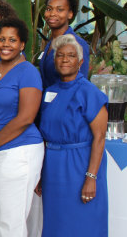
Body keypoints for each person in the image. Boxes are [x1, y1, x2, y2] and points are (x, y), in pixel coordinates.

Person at [0, 18, 44, 237]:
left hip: (18, 152)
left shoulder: (28, 72)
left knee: (10, 223)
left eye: (12, 40)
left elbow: (26, 117)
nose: (6, 44)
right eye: (2, 39)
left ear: (22, 44)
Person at [36, 34, 108, 237]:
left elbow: (100, 137)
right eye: (60, 55)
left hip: (80, 164)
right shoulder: (50, 92)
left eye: (70, 55)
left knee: (83, 222)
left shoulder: (89, 93)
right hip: (53, 166)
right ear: (54, 60)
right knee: (56, 223)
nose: (65, 59)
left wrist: (91, 178)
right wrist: (41, 172)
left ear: (80, 61)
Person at [40, 0, 90, 89]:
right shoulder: (51, 43)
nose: (52, 14)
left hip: (67, 103)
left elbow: (81, 84)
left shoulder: (77, 44)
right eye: (49, 9)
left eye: (60, 10)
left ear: (70, 14)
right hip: (48, 103)